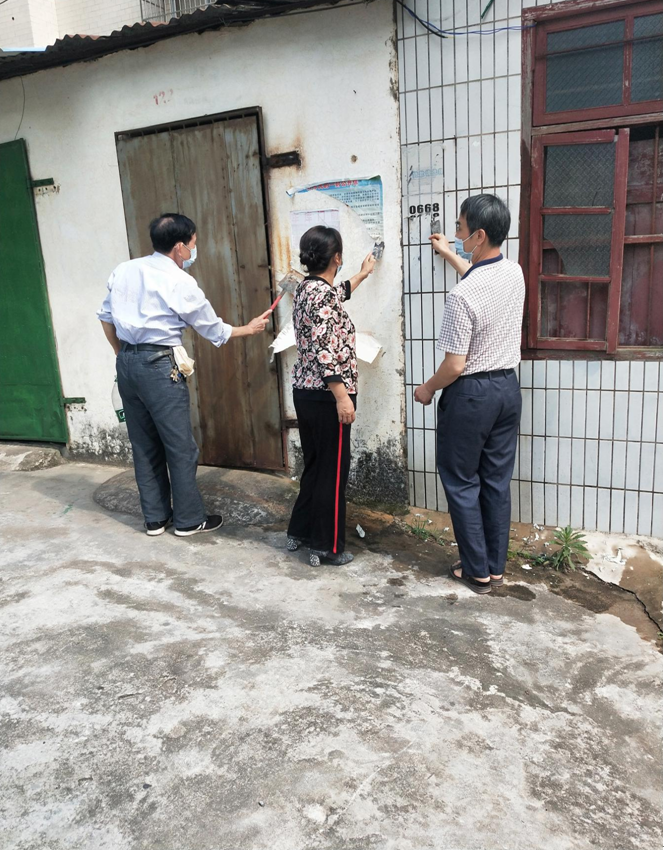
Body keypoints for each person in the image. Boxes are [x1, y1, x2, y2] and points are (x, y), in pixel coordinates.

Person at [98, 213, 270, 537]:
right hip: (159, 364)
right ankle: (189, 520)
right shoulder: (179, 281)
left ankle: (155, 519)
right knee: (179, 446)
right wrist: (248, 329)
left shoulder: (125, 269)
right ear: (179, 247)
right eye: (193, 243)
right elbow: (212, 328)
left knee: (143, 443)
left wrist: (123, 355)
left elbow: (105, 318)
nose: (193, 249)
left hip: (128, 363)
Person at [414, 194, 524, 594]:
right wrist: (450, 255)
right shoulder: (514, 272)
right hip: (507, 390)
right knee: (496, 481)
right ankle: (494, 567)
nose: (456, 234)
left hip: (472, 395)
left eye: (460, 229)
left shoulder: (461, 296)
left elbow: (455, 365)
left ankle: (476, 570)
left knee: (461, 481)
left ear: (478, 236)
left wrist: (427, 388)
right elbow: (480, 280)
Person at [286, 226, 375, 567]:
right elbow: (325, 350)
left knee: (316, 466)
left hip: (306, 392)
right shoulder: (322, 295)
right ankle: (325, 546)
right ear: (336, 257)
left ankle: (299, 531)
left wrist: (363, 274)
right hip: (327, 395)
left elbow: (338, 293)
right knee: (333, 472)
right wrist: (342, 396)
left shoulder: (307, 289)